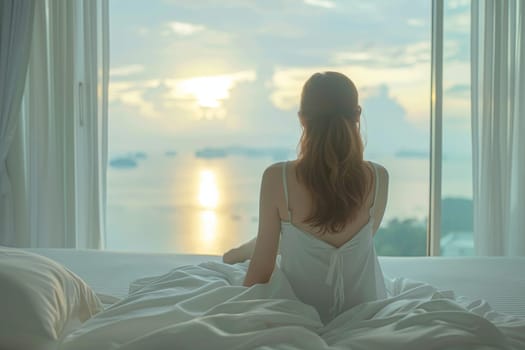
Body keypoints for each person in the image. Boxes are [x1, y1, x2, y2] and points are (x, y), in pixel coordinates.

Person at [223, 71, 389, 323]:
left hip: (296, 311)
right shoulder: (379, 177)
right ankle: (242, 250)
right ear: (357, 115)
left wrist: (237, 315)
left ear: (302, 119)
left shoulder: (277, 177)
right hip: (367, 308)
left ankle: (241, 251)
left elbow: (262, 269)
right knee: (285, 238)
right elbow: (364, 239)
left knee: (273, 240)